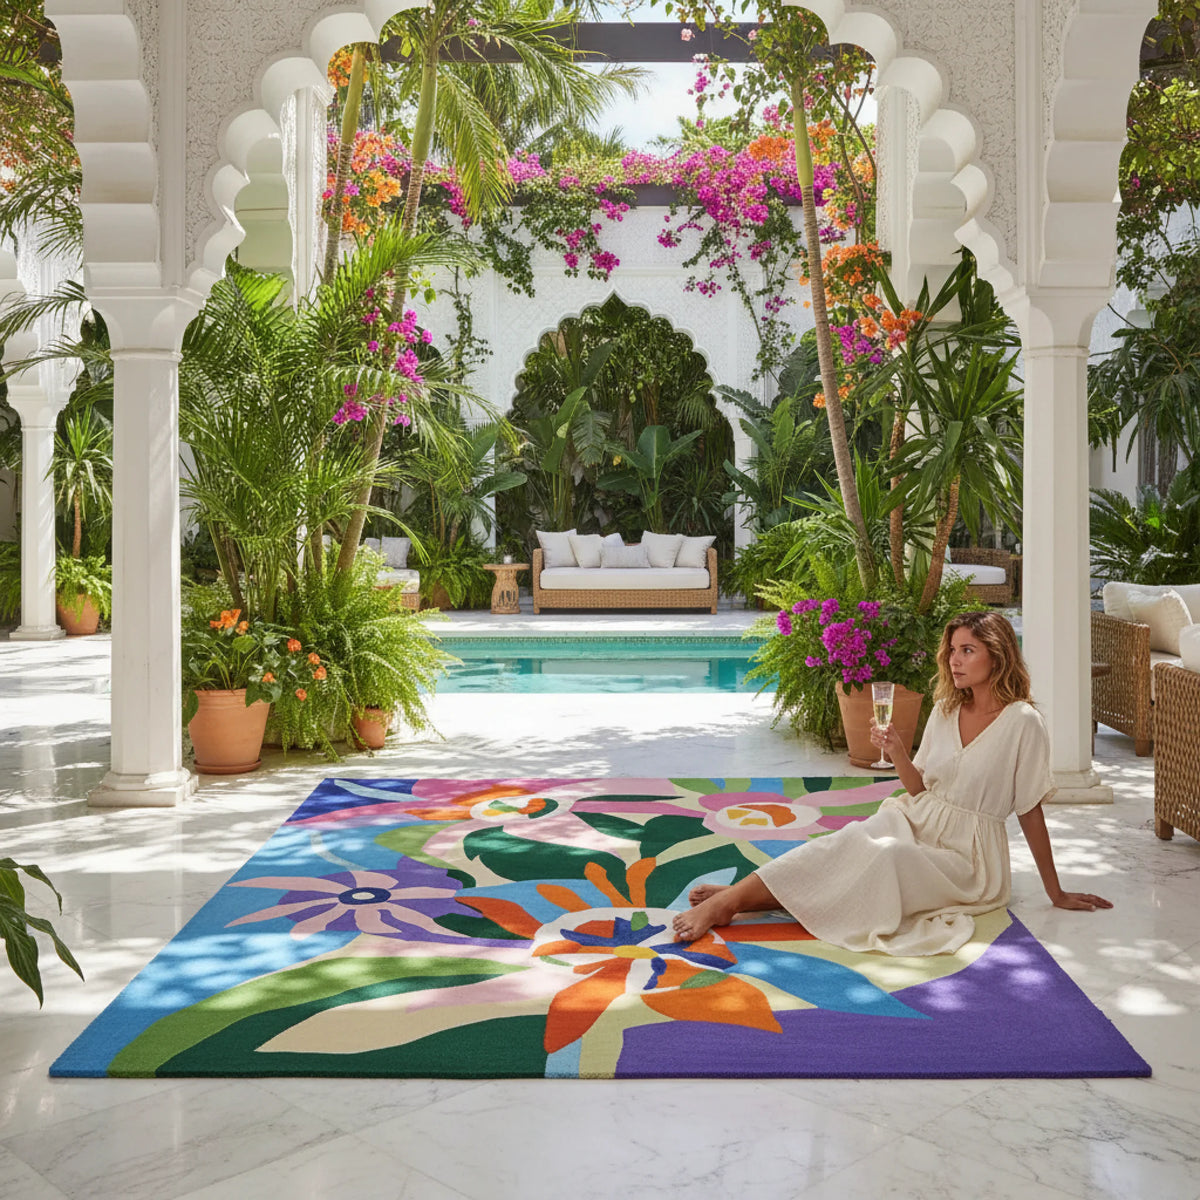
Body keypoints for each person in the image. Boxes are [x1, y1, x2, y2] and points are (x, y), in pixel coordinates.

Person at [672, 610, 1112, 955]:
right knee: (846, 844)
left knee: (889, 860)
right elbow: (921, 790)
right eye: (953, 650)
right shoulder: (945, 709)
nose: (955, 660)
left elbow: (1029, 809)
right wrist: (898, 750)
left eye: (968, 650)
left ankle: (741, 900)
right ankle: (737, 900)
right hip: (917, 815)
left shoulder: (1022, 722)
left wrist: (1055, 891)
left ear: (997, 655)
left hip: (969, 856)